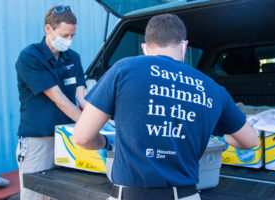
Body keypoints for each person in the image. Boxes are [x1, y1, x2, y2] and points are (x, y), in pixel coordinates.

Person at [73, 14, 259, 200]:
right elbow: (250, 141)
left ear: (144, 48)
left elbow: (82, 137)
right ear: (184, 46)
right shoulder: (213, 88)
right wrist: (225, 137)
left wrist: (105, 143)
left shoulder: (123, 70)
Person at [15, 5, 87, 200]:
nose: (69, 41)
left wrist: (101, 120)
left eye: (73, 35)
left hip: (67, 139)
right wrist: (89, 126)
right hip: (39, 141)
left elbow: (82, 96)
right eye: (65, 35)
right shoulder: (31, 56)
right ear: (48, 29)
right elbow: (60, 100)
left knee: (64, 194)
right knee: (35, 195)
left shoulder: (73, 58)